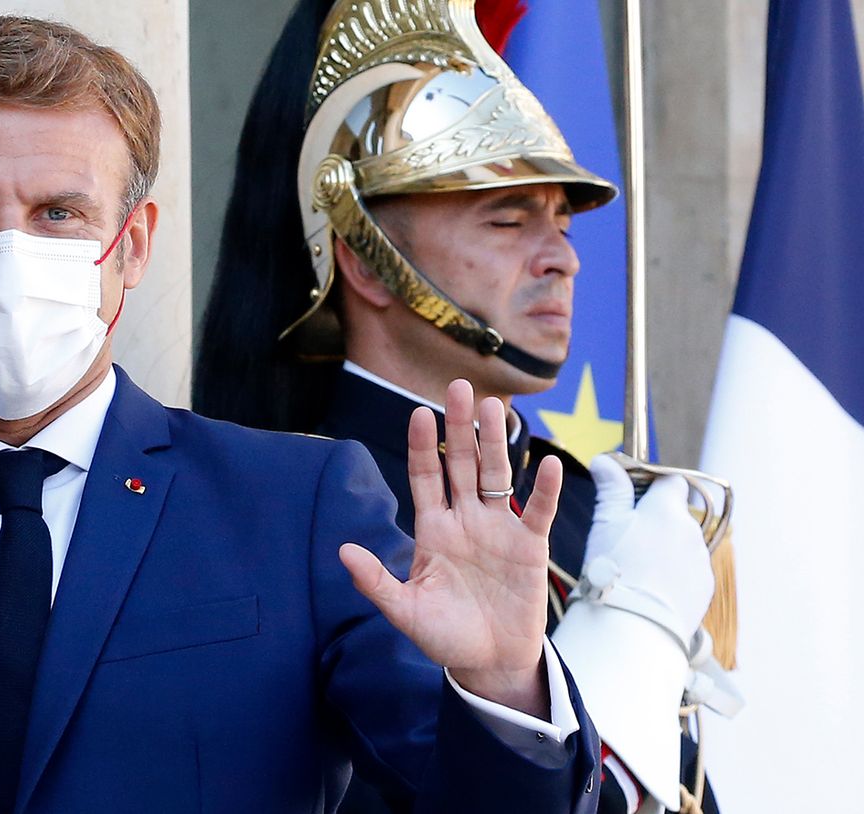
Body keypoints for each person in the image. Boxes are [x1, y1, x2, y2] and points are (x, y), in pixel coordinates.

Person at [0, 16, 603, 814]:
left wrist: (500, 689)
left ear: (129, 247)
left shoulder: (296, 509)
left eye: (60, 213)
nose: (15, 251)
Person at [194, 2, 738, 812]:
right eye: (508, 218)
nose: (561, 259)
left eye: (560, 222)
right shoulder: (288, 507)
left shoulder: (593, 504)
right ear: (367, 262)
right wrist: (621, 649)